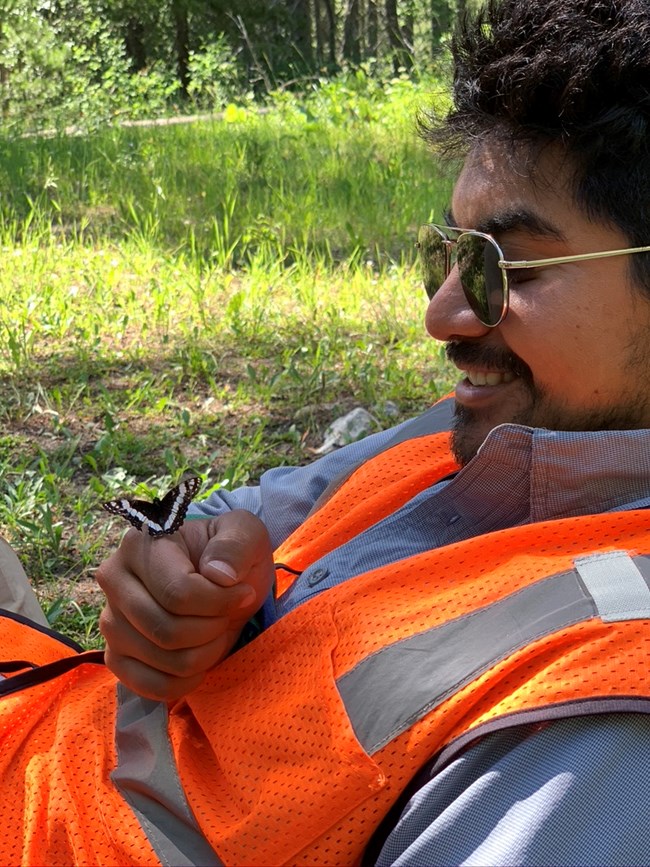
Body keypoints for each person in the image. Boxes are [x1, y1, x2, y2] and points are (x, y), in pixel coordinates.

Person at [2, 0, 650, 864]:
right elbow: (238, 518)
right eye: (446, 253)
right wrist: (193, 577)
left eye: (503, 266)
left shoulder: (599, 712)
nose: (441, 313)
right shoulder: (501, 431)